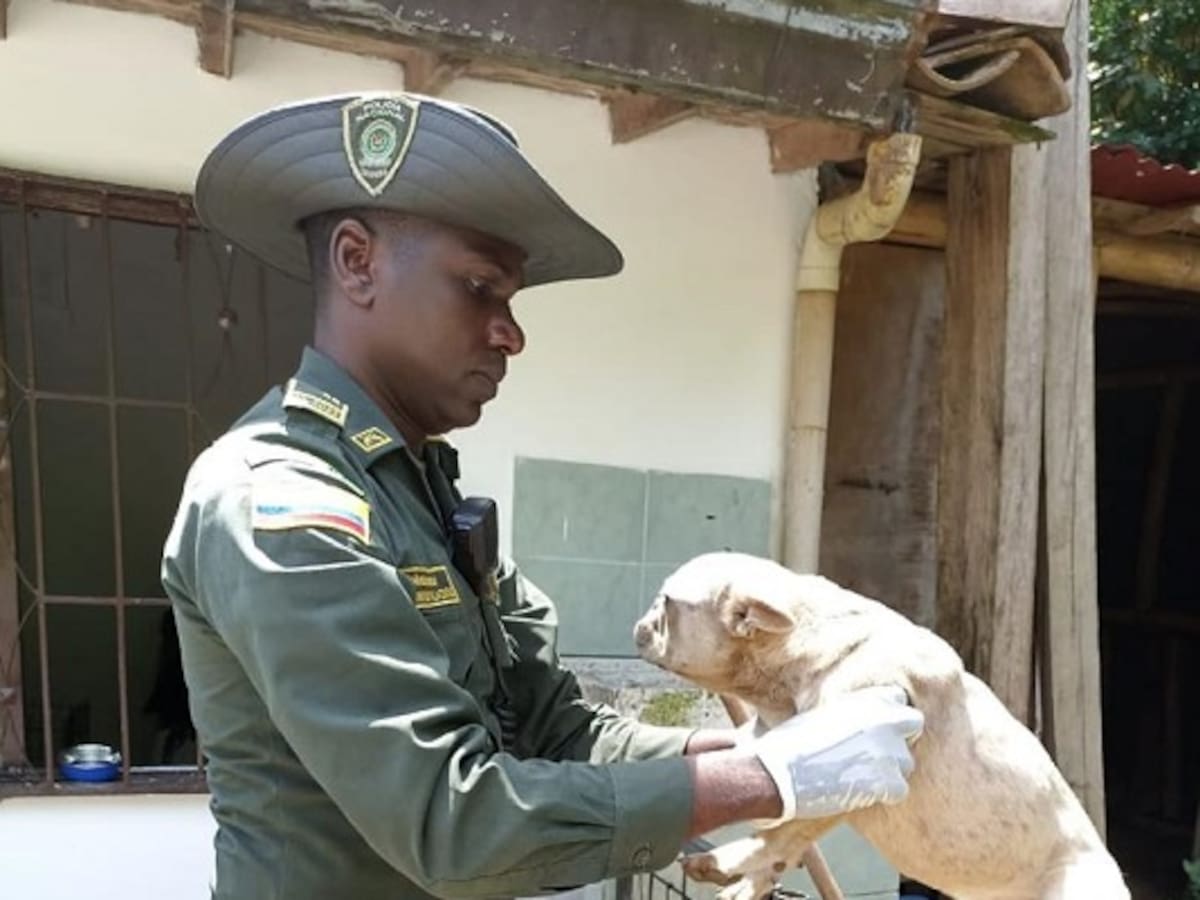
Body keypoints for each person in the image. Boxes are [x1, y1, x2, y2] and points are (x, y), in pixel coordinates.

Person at [161, 92, 923, 900]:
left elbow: (559, 732)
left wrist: (772, 748)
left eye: (510, 299)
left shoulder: (419, 496)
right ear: (357, 262)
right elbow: (453, 822)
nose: (510, 331)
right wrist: (771, 779)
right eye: (480, 287)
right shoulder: (279, 499)